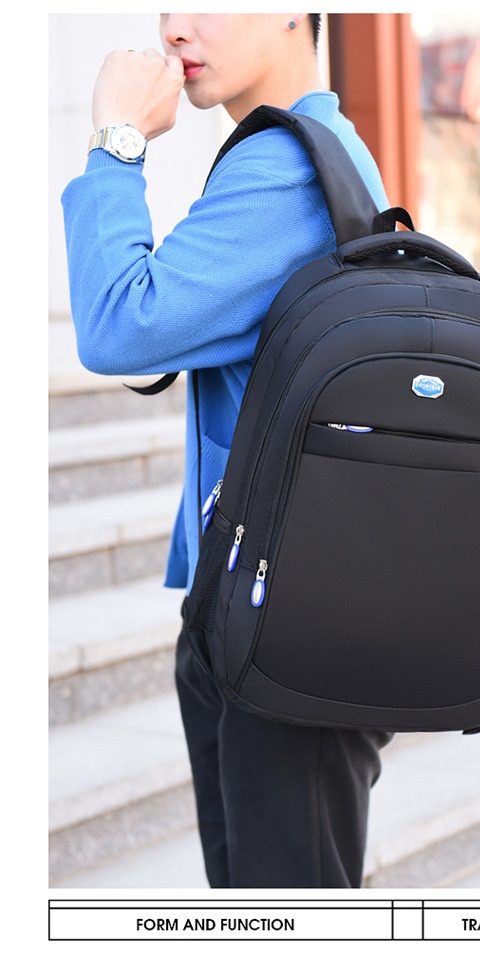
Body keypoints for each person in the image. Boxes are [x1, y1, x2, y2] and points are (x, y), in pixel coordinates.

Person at [61, 13, 392, 889]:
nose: (175, 28)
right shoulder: (312, 147)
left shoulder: (286, 167)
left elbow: (120, 325)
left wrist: (117, 141)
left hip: (280, 630)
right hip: (269, 608)